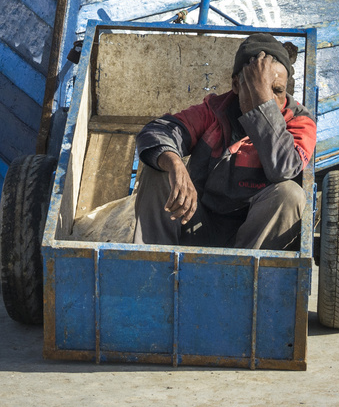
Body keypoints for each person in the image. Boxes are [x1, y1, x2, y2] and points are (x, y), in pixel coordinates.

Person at [130, 33, 315, 249]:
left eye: (277, 91)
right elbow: (155, 132)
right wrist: (174, 164)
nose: (270, 99)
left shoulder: (299, 120)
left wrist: (262, 104)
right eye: (257, 88)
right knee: (158, 169)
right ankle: (153, 269)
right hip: (198, 224)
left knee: (290, 194)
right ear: (236, 85)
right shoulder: (215, 111)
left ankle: (245, 278)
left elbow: (282, 169)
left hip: (254, 241)